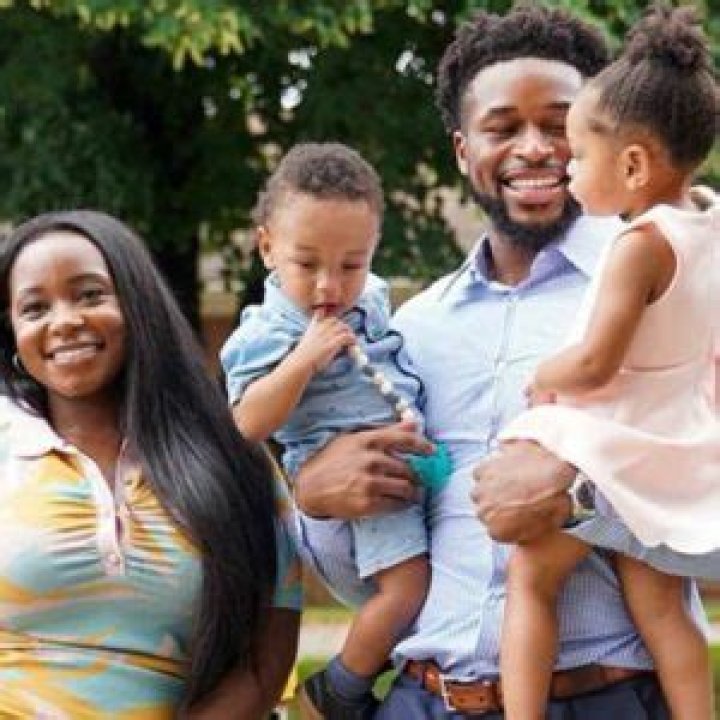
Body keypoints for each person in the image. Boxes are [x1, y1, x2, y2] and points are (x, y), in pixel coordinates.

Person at [290, 5, 711, 718]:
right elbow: (371, 572)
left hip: (602, 701)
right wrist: (317, 503)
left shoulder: (671, 293)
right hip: (423, 699)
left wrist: (585, 502)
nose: (536, 149)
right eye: (503, 127)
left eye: (560, 124)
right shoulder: (411, 333)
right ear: (464, 151)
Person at [496, 6, 719, 719]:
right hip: (669, 439)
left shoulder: (638, 246)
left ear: (632, 165)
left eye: (579, 156)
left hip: (612, 442)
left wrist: (543, 373)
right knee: (662, 606)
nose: (567, 168)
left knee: (530, 579)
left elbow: (595, 365)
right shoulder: (707, 223)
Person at [0, 210, 301, 718]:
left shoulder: (233, 459)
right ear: (12, 332)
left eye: (90, 295)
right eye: (34, 308)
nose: (64, 320)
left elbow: (264, 664)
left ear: (137, 304)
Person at [220, 142, 449, 720]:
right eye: (307, 264)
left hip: (400, 466)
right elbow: (245, 422)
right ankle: (340, 689)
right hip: (353, 487)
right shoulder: (270, 332)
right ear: (267, 247)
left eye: (352, 264)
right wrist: (302, 361)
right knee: (407, 589)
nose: (329, 285)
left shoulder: (370, 300)